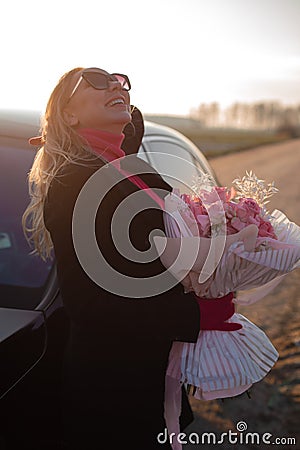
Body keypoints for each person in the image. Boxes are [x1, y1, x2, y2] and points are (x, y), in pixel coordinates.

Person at [23, 67, 201, 450]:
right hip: (113, 392)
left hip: (145, 377)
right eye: (97, 80)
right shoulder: (73, 181)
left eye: (120, 81)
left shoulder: (117, 166)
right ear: (69, 114)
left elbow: (139, 249)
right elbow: (90, 301)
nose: (117, 85)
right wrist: (193, 314)